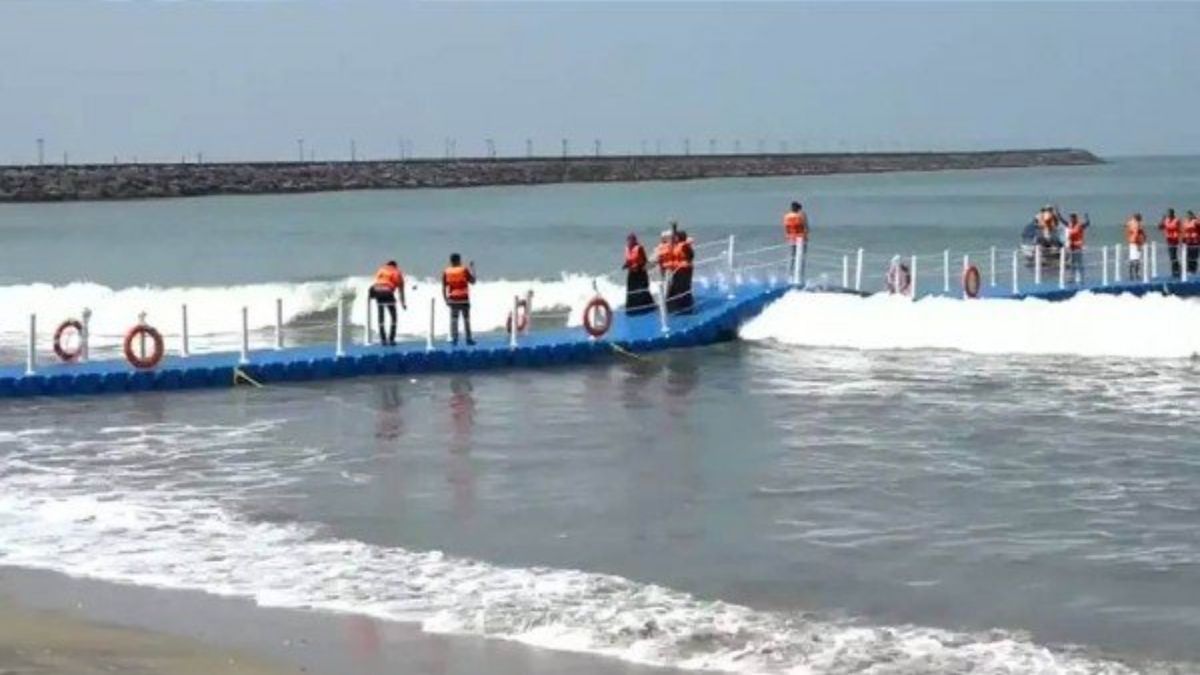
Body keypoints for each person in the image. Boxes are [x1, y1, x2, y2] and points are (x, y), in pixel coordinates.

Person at [369, 260, 406, 346]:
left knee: (381, 316)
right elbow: (401, 291)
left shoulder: (381, 269)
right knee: (393, 316)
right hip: (387, 291)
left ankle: (383, 339)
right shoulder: (397, 272)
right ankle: (391, 339)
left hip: (376, 290)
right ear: (395, 266)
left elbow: (378, 281)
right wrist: (403, 303)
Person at [442, 253, 476, 346]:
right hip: (464, 298)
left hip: (453, 299)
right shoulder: (464, 270)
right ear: (458, 260)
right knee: (466, 319)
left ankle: (454, 339)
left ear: (451, 261)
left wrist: (445, 299)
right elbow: (473, 281)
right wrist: (473, 268)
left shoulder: (446, 271)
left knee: (454, 319)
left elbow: (444, 287)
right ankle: (468, 339)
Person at [622, 233, 656, 315]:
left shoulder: (639, 248)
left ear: (635, 240)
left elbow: (644, 260)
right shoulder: (626, 249)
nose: (630, 241)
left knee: (642, 288)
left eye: (632, 240)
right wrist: (625, 265)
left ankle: (648, 305)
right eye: (629, 240)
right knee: (631, 289)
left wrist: (638, 265)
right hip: (632, 272)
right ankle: (632, 306)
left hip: (640, 272)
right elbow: (628, 261)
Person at [666, 229, 695, 314]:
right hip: (677, 269)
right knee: (675, 287)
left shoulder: (684, 246)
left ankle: (685, 306)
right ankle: (675, 307)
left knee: (683, 288)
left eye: (676, 237)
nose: (675, 238)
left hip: (684, 270)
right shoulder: (677, 245)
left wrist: (683, 263)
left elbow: (690, 256)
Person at [1063, 213, 1089, 284]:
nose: (1071, 220)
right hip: (1071, 248)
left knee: (1079, 263)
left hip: (1078, 247)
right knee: (1071, 264)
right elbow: (1063, 221)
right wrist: (1058, 213)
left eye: (1072, 218)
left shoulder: (1079, 225)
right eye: (1070, 218)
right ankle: (1071, 279)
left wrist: (1086, 217)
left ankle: (1082, 279)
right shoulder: (1070, 225)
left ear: (1075, 218)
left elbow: (1087, 224)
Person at [1159, 208, 1182, 278]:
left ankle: (1176, 270)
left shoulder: (1176, 220)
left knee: (1173, 255)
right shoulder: (1166, 220)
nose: (1168, 215)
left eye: (1169, 213)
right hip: (1169, 239)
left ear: (1172, 213)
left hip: (1175, 239)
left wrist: (1181, 240)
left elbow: (1180, 230)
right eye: (1168, 213)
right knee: (1172, 256)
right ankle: (1176, 270)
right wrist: (1162, 220)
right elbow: (1160, 227)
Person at [1126, 213, 1147, 280]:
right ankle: (1136, 274)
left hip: (1131, 242)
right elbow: (1136, 233)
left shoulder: (1130, 223)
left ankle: (1131, 274)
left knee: (1132, 259)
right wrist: (1138, 243)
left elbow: (1128, 229)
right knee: (1136, 259)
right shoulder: (1137, 224)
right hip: (1136, 242)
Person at [1184, 210, 1200, 276]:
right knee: (1188, 256)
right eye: (1187, 215)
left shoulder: (1195, 221)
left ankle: (1194, 270)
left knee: (1194, 256)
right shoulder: (1185, 222)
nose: (1188, 216)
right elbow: (1183, 231)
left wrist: (1196, 219)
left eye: (1189, 215)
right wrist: (1183, 239)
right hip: (1188, 241)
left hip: (1195, 241)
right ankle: (1188, 270)